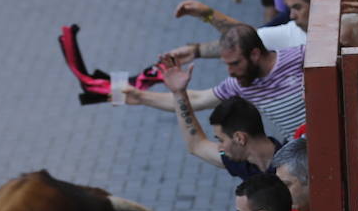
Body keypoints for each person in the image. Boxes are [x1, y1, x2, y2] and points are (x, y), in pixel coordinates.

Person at [126, 24, 306, 143]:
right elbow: (199, 99)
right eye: (226, 64)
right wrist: (142, 97)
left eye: (235, 63)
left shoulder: (299, 57)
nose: (230, 72)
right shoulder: (240, 84)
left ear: (255, 54)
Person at [160, 66, 284, 179]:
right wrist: (179, 93)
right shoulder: (243, 161)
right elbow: (197, 145)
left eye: (221, 140)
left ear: (240, 138)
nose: (220, 148)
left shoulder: (293, 166)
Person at [166, 0, 311, 65]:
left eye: (297, 8)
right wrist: (196, 50)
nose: (292, 16)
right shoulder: (293, 30)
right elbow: (246, 38)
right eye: (290, 8)